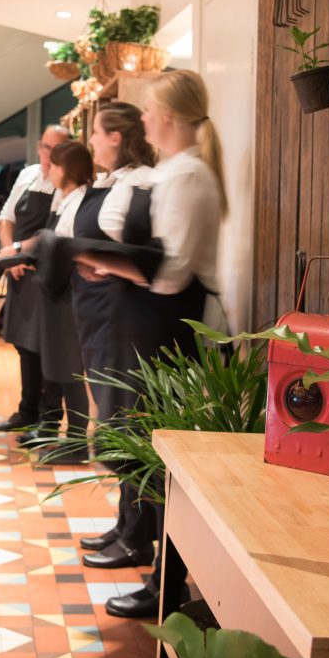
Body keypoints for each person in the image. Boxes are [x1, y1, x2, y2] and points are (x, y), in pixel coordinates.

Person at [77, 70, 226, 618]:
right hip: (149, 326)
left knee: (161, 458)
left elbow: (171, 275)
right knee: (144, 446)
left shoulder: (188, 176)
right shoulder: (174, 172)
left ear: (165, 115)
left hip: (169, 330)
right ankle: (146, 554)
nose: (142, 118)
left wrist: (101, 261)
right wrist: (106, 264)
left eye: (147, 109)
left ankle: (166, 588)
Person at [67, 103, 158, 568]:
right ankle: (126, 523)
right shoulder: (113, 181)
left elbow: (142, 251)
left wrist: (104, 264)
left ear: (117, 138)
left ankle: (138, 536)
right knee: (113, 416)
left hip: (122, 313)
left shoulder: (142, 182)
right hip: (99, 314)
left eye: (97, 134)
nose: (91, 142)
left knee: (129, 420)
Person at [0, 125, 68, 434]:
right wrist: (10, 252)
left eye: (56, 149)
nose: (49, 154)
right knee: (24, 346)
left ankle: (49, 419)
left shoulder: (67, 182)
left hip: (46, 275)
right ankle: (27, 412)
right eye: (46, 147)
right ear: (38, 147)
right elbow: (6, 217)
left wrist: (20, 253)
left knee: (48, 348)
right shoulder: (27, 175)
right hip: (19, 273)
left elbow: (55, 233)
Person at [28, 139, 93, 454]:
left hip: (67, 295)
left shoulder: (78, 201)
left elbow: (66, 251)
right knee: (60, 368)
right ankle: (61, 435)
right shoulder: (66, 198)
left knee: (70, 371)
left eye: (53, 165)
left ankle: (77, 444)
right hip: (57, 294)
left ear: (65, 170)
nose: (49, 170)